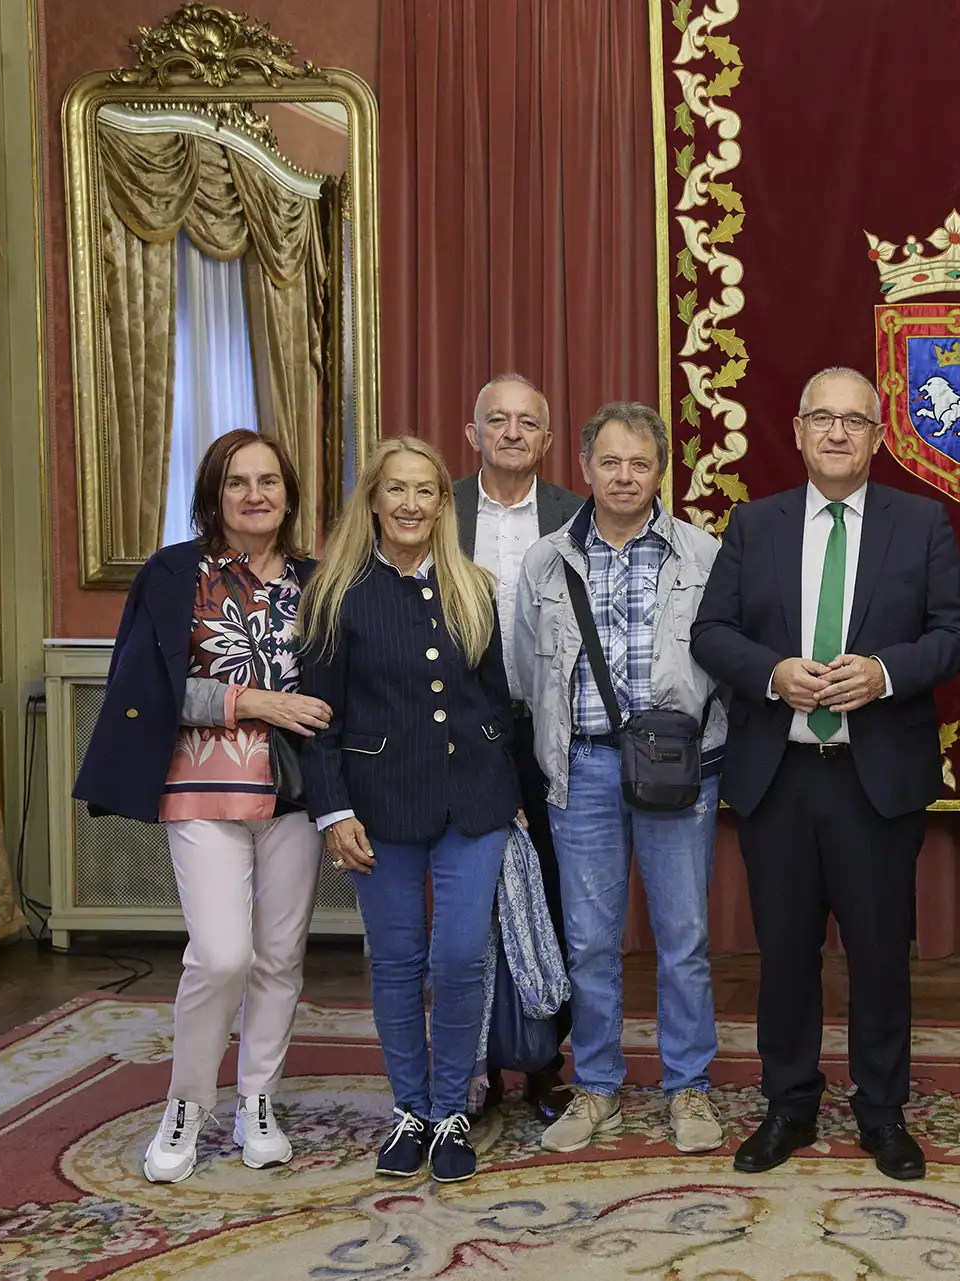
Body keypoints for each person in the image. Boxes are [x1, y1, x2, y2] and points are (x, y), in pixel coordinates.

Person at [691, 366, 960, 1181]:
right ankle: (789, 1105)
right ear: (797, 431)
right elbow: (711, 632)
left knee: (880, 956)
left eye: (855, 420)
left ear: (879, 436)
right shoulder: (755, 523)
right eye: (823, 418)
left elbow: (954, 634)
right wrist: (772, 672)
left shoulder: (921, 522)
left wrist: (883, 673)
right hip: (779, 774)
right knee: (785, 955)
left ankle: (882, 1111)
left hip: (873, 776)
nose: (838, 432)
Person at [76, 431, 326, 1184]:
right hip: (200, 787)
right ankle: (186, 1103)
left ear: (289, 493)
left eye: (269, 480)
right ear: (213, 494)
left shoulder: (318, 581)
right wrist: (253, 702)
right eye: (237, 481)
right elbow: (145, 687)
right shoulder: (174, 573)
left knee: (279, 956)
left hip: (295, 793)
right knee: (220, 955)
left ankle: (257, 1100)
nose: (255, 494)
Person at [299, 437, 521, 1184]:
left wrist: (511, 795)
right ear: (373, 499)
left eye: (425, 490)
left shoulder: (474, 587)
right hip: (377, 806)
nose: (410, 503)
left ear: (442, 503)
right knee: (397, 961)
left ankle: (452, 1108)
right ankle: (411, 1111)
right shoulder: (336, 593)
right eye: (395, 488)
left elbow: (495, 701)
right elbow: (320, 718)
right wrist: (332, 811)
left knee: (459, 957)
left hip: (474, 803)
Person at [513, 402, 727, 1156]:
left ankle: (688, 1086)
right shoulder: (545, 561)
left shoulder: (702, 555)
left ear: (661, 470)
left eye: (640, 463)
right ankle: (597, 1085)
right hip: (584, 770)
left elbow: (728, 666)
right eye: (611, 462)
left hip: (678, 771)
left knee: (684, 938)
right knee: (589, 941)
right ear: (585, 467)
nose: (625, 476)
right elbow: (525, 673)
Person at [455, 374, 583, 1123]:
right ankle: (476, 1065)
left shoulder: (576, 515)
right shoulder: (437, 510)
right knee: (470, 902)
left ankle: (543, 1061)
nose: (511, 432)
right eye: (497, 420)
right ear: (472, 434)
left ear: (547, 440)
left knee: (553, 895)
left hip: (549, 731)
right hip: (458, 734)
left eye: (527, 422)